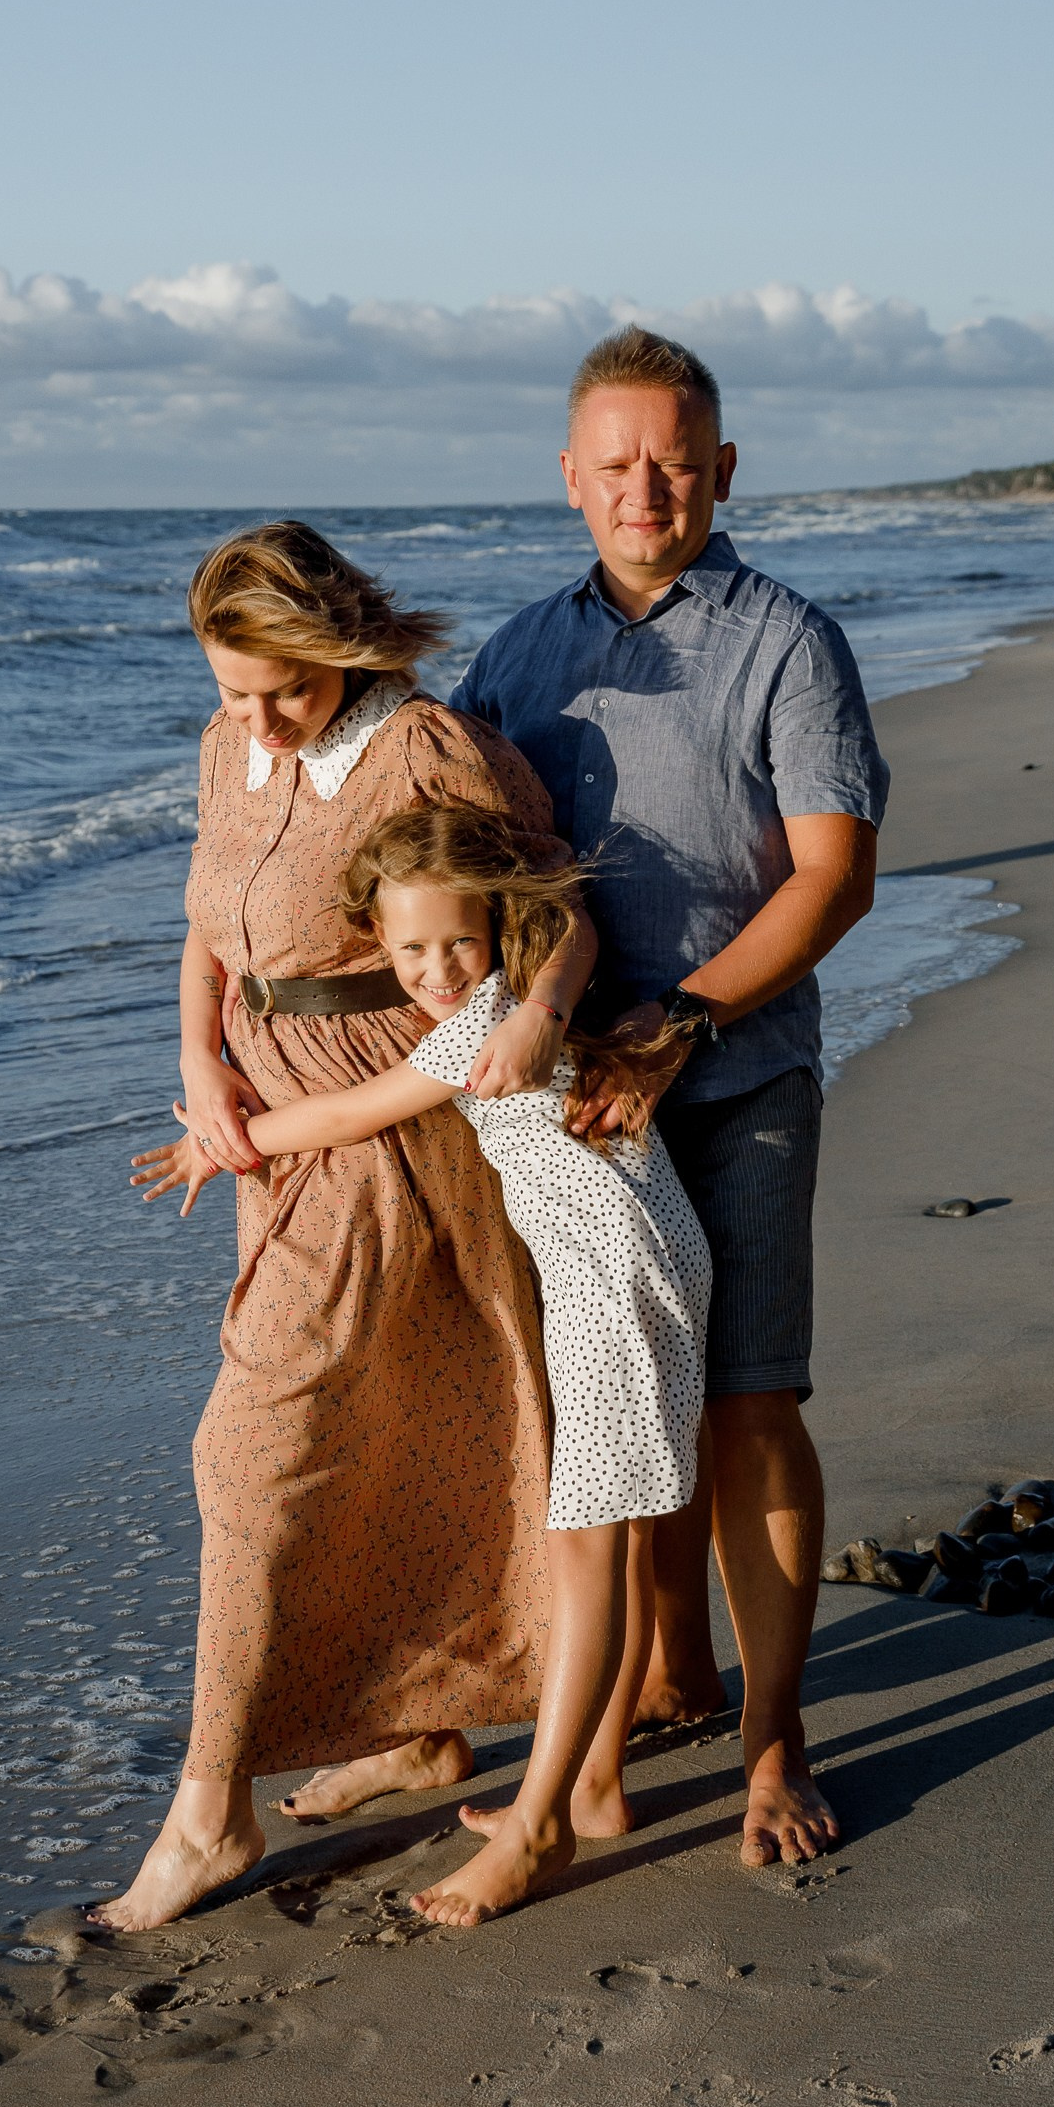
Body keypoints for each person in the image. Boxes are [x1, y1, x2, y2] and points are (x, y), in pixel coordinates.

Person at [92, 520, 594, 1936]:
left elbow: (546, 913)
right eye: (232, 689)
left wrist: (540, 1022)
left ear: (341, 644)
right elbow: (209, 924)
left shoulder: (426, 752)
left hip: (385, 1129)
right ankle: (425, 1726)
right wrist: (201, 1066)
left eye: (281, 691)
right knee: (390, 1420)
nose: (250, 717)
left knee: (252, 1447)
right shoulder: (223, 740)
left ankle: (207, 1810)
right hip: (258, 1123)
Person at [450, 326, 888, 1868]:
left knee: (750, 1400)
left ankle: (773, 1740)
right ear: (569, 476)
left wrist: (678, 1025)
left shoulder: (786, 640)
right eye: (617, 460)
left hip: (740, 1070)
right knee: (613, 1418)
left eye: (676, 457)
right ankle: (665, 1672)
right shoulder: (508, 661)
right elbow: (423, 851)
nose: (649, 485)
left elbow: (834, 877)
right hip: (567, 1110)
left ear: (720, 469)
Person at [140, 798, 708, 1928]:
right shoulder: (535, 992)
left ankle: (545, 1824)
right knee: (618, 1531)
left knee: (586, 1547)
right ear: (374, 944)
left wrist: (222, 1142)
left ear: (496, 930)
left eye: (456, 941)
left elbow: (354, 1112)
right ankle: (590, 1787)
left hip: (613, 1287)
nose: (437, 970)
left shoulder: (484, 1025)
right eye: (407, 951)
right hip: (641, 1263)